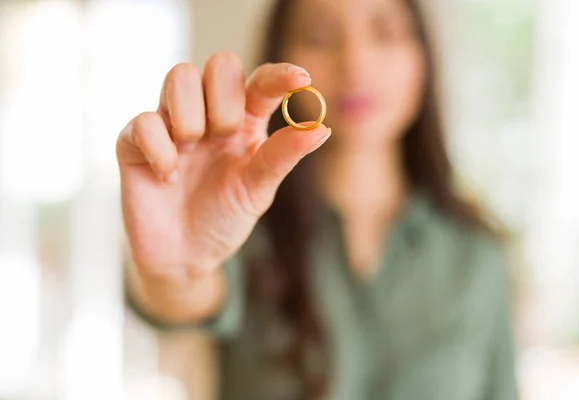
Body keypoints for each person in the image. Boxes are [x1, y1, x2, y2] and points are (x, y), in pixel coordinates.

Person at [117, 0, 519, 398]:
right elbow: (179, 298)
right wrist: (177, 272)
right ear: (283, 55)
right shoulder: (239, 228)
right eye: (320, 37)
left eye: (384, 33)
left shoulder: (478, 256)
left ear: (423, 56)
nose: (355, 64)